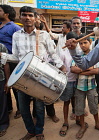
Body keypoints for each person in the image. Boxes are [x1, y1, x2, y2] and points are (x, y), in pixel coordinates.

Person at [0, 6, 65, 140]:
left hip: (39, 76)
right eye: (24, 15)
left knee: (39, 108)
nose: (27, 18)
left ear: (35, 18)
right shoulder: (16, 35)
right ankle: (31, 131)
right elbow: (16, 57)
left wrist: (61, 66)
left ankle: (39, 131)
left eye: (30, 15)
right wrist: (4, 56)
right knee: (23, 108)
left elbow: (53, 53)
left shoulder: (43, 35)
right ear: (21, 18)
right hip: (22, 77)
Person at [71, 34, 99, 139]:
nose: (83, 45)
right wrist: (88, 68)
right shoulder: (77, 55)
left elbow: (96, 70)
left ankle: (97, 123)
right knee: (79, 108)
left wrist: (80, 70)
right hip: (79, 87)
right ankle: (83, 126)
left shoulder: (94, 55)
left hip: (91, 86)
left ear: (90, 42)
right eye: (81, 43)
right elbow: (72, 69)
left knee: (94, 106)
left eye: (85, 42)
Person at [32, 14, 60, 123]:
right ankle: (36, 115)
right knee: (35, 93)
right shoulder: (28, 36)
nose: (38, 21)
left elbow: (52, 51)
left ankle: (51, 114)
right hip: (34, 68)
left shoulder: (45, 36)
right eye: (37, 19)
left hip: (47, 68)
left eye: (39, 20)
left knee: (48, 92)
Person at [0, 4, 21, 118]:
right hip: (1, 62)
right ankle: (8, 108)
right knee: (4, 85)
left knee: (15, 86)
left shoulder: (14, 27)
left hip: (12, 61)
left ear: (6, 14)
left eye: (0, 11)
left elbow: (20, 44)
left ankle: (20, 108)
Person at [59, 32, 78, 137]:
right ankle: (65, 122)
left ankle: (77, 118)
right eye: (70, 41)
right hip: (68, 81)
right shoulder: (63, 53)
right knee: (66, 102)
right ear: (66, 42)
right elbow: (60, 66)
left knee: (76, 100)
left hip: (77, 81)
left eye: (74, 41)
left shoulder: (79, 51)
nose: (72, 43)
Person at [0, 43, 10, 137]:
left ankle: (3, 124)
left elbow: (6, 64)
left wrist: (7, 81)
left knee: (2, 102)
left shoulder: (1, 47)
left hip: (1, 79)